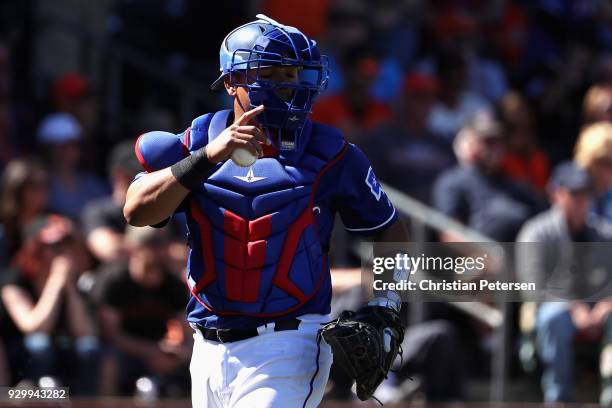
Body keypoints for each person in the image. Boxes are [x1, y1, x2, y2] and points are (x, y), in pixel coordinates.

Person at [123, 14, 407, 408]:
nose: (288, 88)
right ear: (230, 81)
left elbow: (390, 229)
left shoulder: (332, 153)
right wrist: (208, 157)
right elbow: (136, 211)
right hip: (206, 346)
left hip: (289, 344)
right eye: (271, 74)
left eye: (296, 75)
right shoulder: (197, 139)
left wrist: (386, 301)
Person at [516, 162, 612, 404]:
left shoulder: (603, 232)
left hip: (598, 308)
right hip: (553, 308)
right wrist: (574, 306)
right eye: (574, 193)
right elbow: (532, 286)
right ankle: (558, 398)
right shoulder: (536, 232)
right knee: (554, 317)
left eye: (586, 193)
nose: (582, 200)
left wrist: (606, 303)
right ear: (556, 194)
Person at [0, 215, 99, 393]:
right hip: (21, 352)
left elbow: (83, 331)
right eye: (53, 246)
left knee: (89, 348)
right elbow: (34, 327)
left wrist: (68, 287)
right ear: (35, 248)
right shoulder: (14, 278)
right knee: (39, 345)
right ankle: (31, 399)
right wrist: (55, 281)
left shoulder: (74, 278)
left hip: (61, 347)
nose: (61, 252)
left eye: (65, 244)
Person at [92, 225, 190, 396]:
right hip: (123, 350)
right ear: (133, 248)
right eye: (153, 243)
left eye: (163, 243)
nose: (160, 250)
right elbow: (112, 335)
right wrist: (150, 351)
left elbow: (189, 333)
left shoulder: (173, 285)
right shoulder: (114, 281)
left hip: (159, 351)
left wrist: (181, 353)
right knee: (109, 360)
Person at [433, 110, 543, 242]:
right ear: (470, 144)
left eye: (498, 140)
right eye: (487, 141)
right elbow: (450, 234)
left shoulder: (515, 184)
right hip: (479, 258)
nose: (494, 147)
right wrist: (483, 256)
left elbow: (542, 219)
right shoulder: (453, 181)